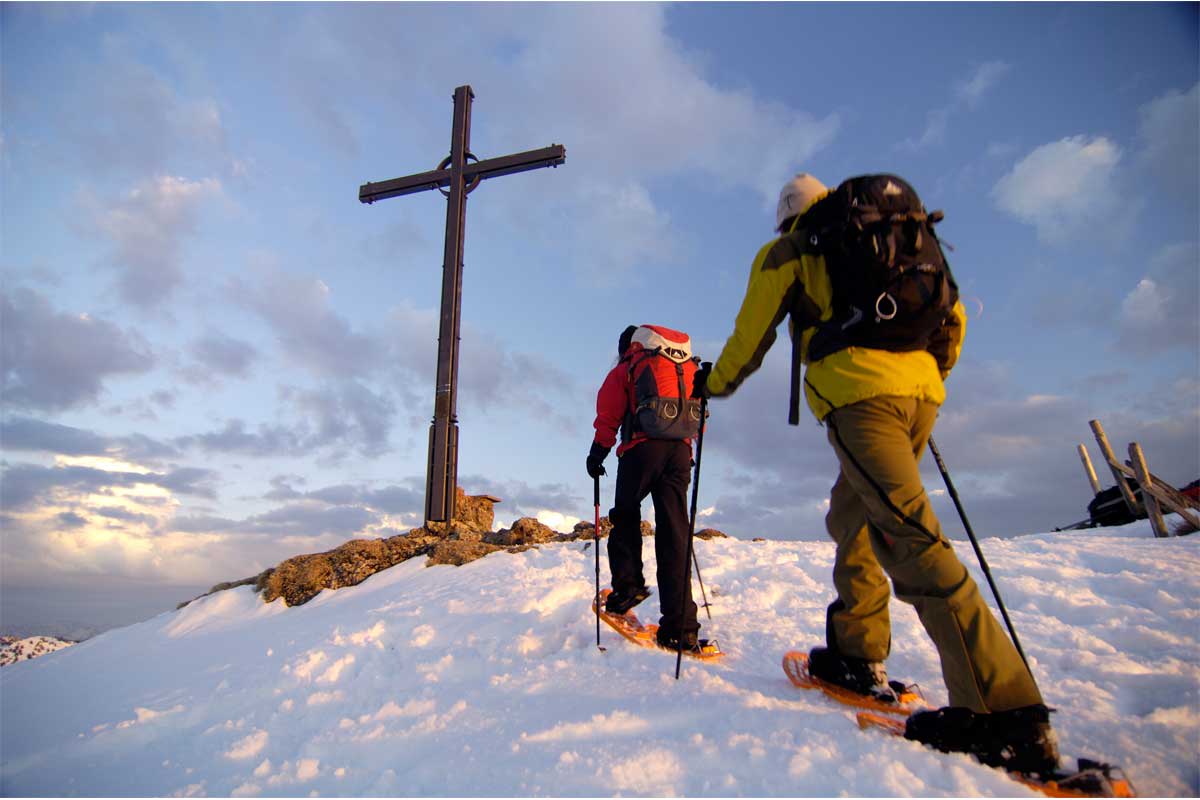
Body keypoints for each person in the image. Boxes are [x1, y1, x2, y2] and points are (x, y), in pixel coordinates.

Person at [693, 173, 1060, 776]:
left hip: (859, 397)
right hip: (918, 390)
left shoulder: (792, 249)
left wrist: (713, 385)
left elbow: (749, 337)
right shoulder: (897, 235)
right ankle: (857, 653)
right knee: (853, 513)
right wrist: (923, 376)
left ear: (786, 215)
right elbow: (954, 315)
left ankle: (1005, 715)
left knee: (911, 541)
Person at [587, 324, 704, 652]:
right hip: (680, 452)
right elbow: (697, 413)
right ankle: (681, 628)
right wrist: (686, 452)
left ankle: (628, 588)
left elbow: (609, 414)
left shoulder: (629, 367)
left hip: (641, 450)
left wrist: (598, 454)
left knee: (625, 514)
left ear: (628, 346)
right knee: (675, 535)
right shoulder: (684, 368)